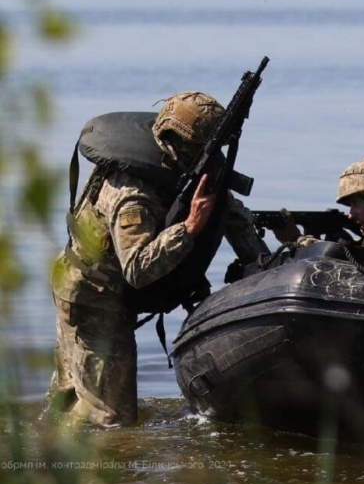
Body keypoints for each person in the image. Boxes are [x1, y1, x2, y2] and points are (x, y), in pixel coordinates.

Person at [47, 92, 268, 428]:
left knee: (72, 397)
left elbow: (232, 216)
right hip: (92, 298)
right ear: (175, 140)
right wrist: (189, 228)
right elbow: (137, 269)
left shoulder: (188, 171)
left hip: (86, 287)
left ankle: (44, 452)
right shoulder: (132, 195)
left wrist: (269, 262)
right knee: (111, 420)